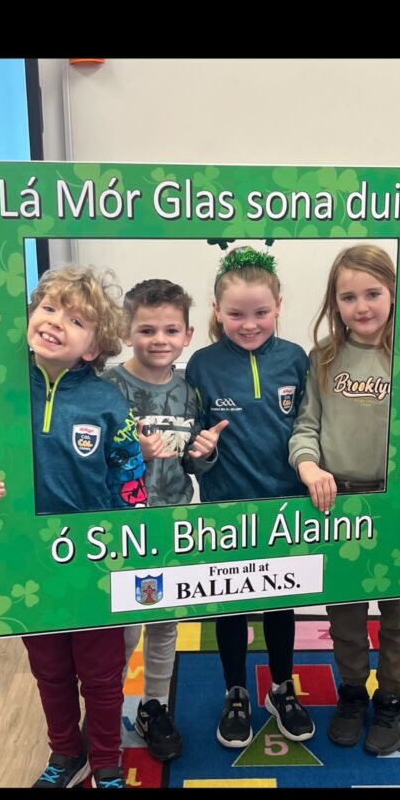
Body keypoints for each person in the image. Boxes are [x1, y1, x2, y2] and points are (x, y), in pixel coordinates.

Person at [0, 265, 147, 788]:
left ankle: (107, 760)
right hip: (27, 560)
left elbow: (129, 476)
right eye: (48, 308)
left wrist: (126, 548)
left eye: (75, 320)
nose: (54, 322)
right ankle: (65, 753)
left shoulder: (107, 401)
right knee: (49, 669)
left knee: (102, 673)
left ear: (93, 348)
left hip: (94, 561)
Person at [288, 243, 400, 755]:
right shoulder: (324, 357)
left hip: (392, 502)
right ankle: (352, 692)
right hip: (338, 503)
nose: (362, 306)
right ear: (335, 301)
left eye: (373, 293)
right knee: (345, 614)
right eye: (348, 297)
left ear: (394, 292)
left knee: (396, 612)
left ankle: (392, 698)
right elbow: (306, 427)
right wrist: (309, 466)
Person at [185, 246, 315, 748]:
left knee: (282, 604)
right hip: (226, 508)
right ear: (217, 311)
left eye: (261, 312)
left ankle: (281, 688)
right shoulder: (201, 365)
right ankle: (235, 691)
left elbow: (311, 428)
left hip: (287, 508)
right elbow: (190, 448)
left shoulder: (296, 359)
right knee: (231, 607)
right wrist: (201, 453)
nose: (249, 324)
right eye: (236, 314)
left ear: (278, 305)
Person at [104, 278, 225, 760]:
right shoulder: (108, 388)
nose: (159, 339)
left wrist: (204, 452)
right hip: (121, 527)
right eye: (147, 329)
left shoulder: (189, 391)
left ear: (188, 334)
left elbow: (193, 465)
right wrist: (132, 451)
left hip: (173, 521)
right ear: (126, 331)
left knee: (164, 621)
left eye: (171, 330)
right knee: (123, 628)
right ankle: (105, 710)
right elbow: (89, 459)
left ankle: (154, 707)